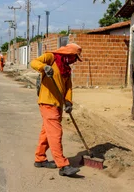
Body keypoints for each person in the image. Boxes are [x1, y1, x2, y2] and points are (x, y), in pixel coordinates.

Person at [30, 43, 83, 177]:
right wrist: (44, 67)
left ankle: (40, 158)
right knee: (56, 133)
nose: (75, 61)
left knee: (47, 132)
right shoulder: (51, 57)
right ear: (69, 54)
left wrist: (69, 102)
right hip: (47, 102)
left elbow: (68, 87)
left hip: (58, 104)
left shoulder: (66, 69)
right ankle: (63, 165)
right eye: (75, 57)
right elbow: (34, 62)